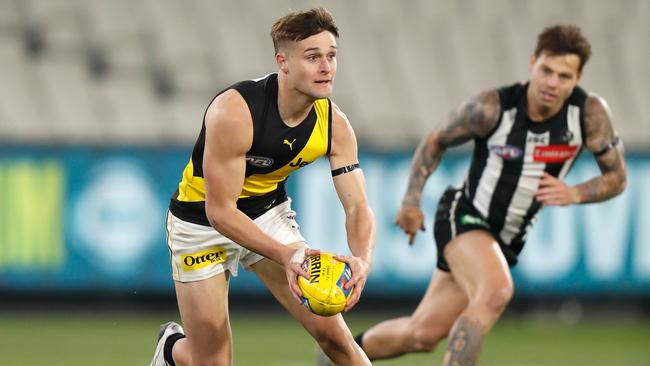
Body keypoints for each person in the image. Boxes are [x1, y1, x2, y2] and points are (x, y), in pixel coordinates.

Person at [318, 24, 627, 366]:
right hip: (464, 216)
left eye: (564, 76)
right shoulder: (493, 107)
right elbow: (436, 140)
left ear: (578, 77)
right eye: (547, 71)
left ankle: (335, 355)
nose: (553, 83)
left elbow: (617, 177)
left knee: (421, 334)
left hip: (506, 238)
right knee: (496, 291)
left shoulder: (589, 114)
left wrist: (576, 193)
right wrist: (410, 201)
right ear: (532, 63)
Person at [150, 7, 375, 366]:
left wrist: (362, 260)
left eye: (331, 56)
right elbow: (219, 212)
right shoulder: (235, 112)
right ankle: (171, 349)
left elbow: (357, 207)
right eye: (313, 57)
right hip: (200, 224)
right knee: (211, 361)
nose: (326, 67)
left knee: (335, 336)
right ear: (282, 63)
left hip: (267, 213)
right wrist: (287, 255)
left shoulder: (335, 125)